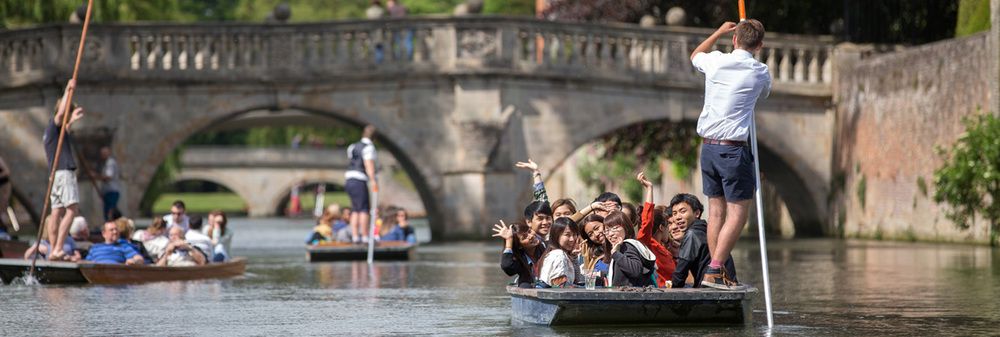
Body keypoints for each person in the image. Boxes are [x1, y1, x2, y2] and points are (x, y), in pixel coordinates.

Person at [690, 19, 770, 289]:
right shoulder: (760, 72)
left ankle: (717, 269)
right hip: (733, 151)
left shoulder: (714, 61)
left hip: (709, 148)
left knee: (716, 213)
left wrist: (718, 32)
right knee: (737, 214)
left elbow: (695, 55)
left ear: (734, 39)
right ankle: (714, 268)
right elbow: (765, 94)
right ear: (759, 46)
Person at [43, 79, 85, 261]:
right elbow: (61, 113)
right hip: (64, 173)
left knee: (56, 212)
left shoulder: (52, 132)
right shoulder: (55, 123)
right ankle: (59, 247)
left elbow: (64, 126)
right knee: (72, 210)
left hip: (55, 175)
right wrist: (69, 89)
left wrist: (72, 120)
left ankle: (53, 251)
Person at [669, 193, 737, 288]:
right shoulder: (709, 231)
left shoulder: (692, 234)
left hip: (711, 289)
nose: (678, 217)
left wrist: (673, 291)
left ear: (697, 213)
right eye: (674, 213)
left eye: (682, 211)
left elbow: (680, 273)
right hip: (729, 285)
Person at [635, 172, 678, 287]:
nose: (671, 230)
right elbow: (647, 222)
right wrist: (649, 189)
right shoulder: (647, 245)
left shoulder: (666, 249)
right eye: (668, 225)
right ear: (661, 227)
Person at [604, 211, 656, 287]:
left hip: (629, 296)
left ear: (626, 227)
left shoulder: (628, 246)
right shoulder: (620, 247)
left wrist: (615, 253)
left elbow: (635, 270)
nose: (610, 234)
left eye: (615, 228)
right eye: (607, 230)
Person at [346, 125, 378, 243]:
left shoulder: (352, 146)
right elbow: (368, 165)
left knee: (355, 209)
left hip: (349, 179)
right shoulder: (369, 148)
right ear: (374, 138)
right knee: (364, 209)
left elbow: (352, 162)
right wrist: (373, 181)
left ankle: (355, 236)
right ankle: (364, 237)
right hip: (359, 179)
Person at [492, 220, 543, 288]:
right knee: (525, 286)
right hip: (531, 286)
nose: (530, 236)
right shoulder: (520, 260)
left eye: (529, 231)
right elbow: (507, 267)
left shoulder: (546, 247)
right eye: (524, 237)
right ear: (519, 246)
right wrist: (509, 240)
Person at [536, 217, 581, 287]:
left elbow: (576, 280)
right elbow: (559, 285)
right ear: (556, 236)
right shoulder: (558, 255)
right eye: (567, 235)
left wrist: (573, 257)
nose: (572, 239)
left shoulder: (561, 254)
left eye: (574, 234)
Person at [579, 213, 611, 281]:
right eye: (590, 234)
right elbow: (604, 271)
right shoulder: (595, 257)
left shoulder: (621, 246)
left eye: (597, 228)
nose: (596, 234)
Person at [93, 146, 121, 221]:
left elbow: (108, 177)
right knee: (108, 212)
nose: (102, 155)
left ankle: (112, 225)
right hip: (108, 192)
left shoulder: (110, 162)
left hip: (112, 191)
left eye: (104, 153)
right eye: (102, 153)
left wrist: (96, 176)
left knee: (110, 212)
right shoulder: (105, 164)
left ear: (108, 153)